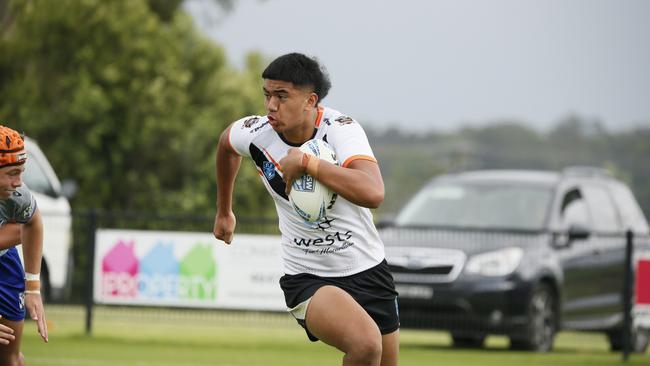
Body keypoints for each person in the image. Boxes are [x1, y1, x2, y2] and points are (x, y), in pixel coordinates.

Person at [213, 53, 399, 366]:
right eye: (267, 95)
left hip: (368, 269)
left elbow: (373, 192)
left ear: (310, 100)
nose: (271, 105)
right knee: (366, 346)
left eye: (282, 96)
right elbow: (225, 145)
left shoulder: (341, 130)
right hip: (308, 276)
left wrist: (308, 163)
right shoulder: (256, 134)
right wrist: (223, 211)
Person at [0, 125, 48, 366]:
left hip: (5, 266)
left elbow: (33, 224)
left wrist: (33, 289)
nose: (19, 182)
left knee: (8, 357)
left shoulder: (18, 195)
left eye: (22, 172)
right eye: (12, 173)